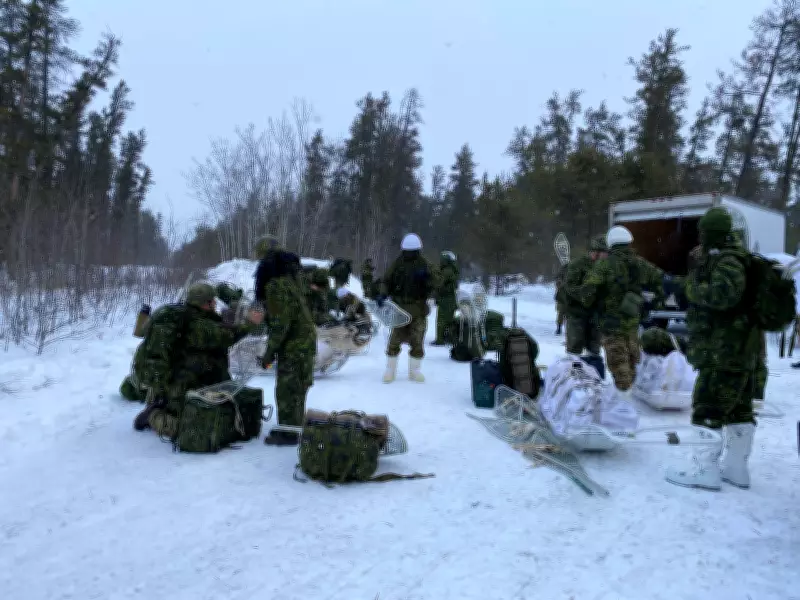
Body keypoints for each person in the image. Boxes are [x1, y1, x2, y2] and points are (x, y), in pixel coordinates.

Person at [665, 207, 758, 491]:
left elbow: (722, 295)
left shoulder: (728, 261)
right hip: (741, 351)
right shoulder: (740, 257)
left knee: (708, 406)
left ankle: (704, 471)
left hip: (723, 352)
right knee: (739, 409)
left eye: (703, 232)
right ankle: (736, 469)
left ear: (711, 233)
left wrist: (686, 289)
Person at [131, 282, 264, 437]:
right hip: (183, 383)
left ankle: (164, 403)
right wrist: (250, 323)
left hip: (187, 379)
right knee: (189, 428)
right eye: (212, 300)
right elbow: (227, 336)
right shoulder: (196, 325)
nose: (215, 303)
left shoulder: (189, 316)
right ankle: (154, 416)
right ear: (205, 304)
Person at [579, 225, 664, 398]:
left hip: (611, 323)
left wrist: (592, 303)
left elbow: (587, 292)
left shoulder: (604, 265)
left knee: (618, 362)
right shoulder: (640, 264)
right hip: (632, 322)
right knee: (633, 358)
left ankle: (623, 400)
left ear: (611, 243)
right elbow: (660, 280)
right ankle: (631, 394)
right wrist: (653, 303)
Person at [257, 248, 317, 446]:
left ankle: (288, 433)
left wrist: (268, 353)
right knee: (298, 388)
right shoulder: (293, 283)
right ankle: (295, 427)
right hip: (305, 342)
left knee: (287, 390)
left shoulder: (276, 286)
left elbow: (280, 324)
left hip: (294, 345)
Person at [377, 233, 437, 383]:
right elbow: (386, 281)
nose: (409, 254)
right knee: (394, 340)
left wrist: (427, 278)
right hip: (400, 309)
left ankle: (415, 371)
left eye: (412, 251)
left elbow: (438, 281)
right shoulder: (398, 263)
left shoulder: (425, 264)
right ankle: (390, 370)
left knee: (417, 340)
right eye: (407, 251)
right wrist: (382, 294)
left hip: (418, 308)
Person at [562, 235, 607, 356]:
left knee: (594, 349)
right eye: (601, 253)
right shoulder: (578, 265)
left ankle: (593, 372)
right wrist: (587, 296)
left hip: (595, 314)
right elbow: (570, 288)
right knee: (575, 348)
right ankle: (574, 372)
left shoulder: (605, 266)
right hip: (577, 312)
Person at [432, 251, 459, 346]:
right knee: (449, 320)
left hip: (445, 299)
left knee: (441, 320)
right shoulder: (452, 269)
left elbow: (439, 283)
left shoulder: (447, 271)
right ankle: (449, 338)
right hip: (451, 299)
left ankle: (440, 340)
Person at [554, 263, 568, 335]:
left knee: (565, 314)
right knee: (561, 314)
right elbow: (558, 284)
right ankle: (559, 328)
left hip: (568, 298)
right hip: (562, 298)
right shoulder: (561, 275)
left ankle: (562, 328)